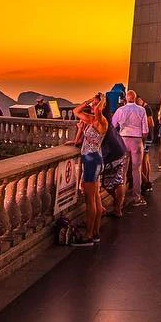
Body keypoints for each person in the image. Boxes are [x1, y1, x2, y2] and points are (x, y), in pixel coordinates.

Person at [73, 93, 108, 243]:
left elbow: (99, 111)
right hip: (93, 160)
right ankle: (95, 232)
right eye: (92, 105)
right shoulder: (92, 120)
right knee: (96, 199)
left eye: (95, 104)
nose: (93, 107)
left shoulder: (101, 121)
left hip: (91, 161)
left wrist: (102, 100)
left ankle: (89, 235)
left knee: (90, 200)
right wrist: (89, 101)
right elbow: (76, 111)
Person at [111, 90, 149, 209]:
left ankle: (119, 198)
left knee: (122, 169)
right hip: (137, 140)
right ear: (136, 98)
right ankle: (136, 196)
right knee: (136, 169)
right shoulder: (141, 110)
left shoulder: (120, 110)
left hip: (123, 139)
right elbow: (145, 131)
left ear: (126, 99)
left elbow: (113, 125)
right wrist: (141, 140)